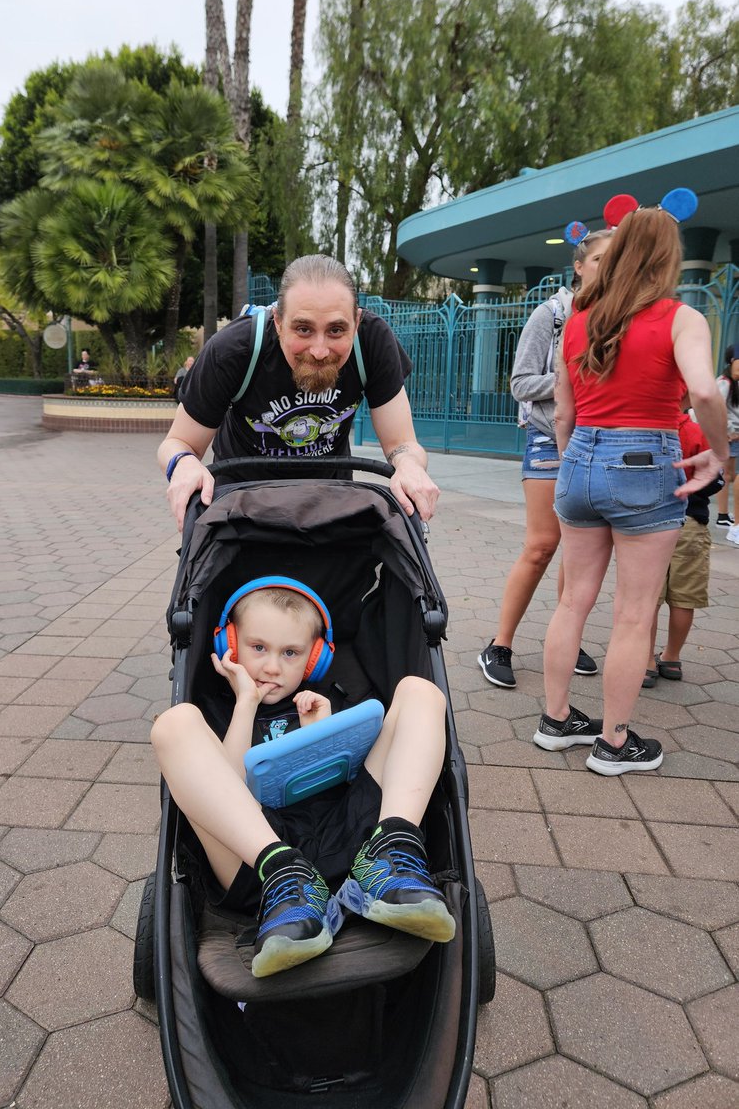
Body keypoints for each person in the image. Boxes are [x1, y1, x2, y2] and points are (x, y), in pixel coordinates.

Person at [150, 577, 455, 978]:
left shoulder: (329, 698)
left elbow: (365, 775)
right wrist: (246, 702)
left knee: (420, 690)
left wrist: (322, 735)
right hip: (259, 862)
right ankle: (288, 878)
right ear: (229, 643)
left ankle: (391, 847)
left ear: (314, 660)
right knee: (174, 724)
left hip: (352, 841)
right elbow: (225, 789)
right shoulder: (219, 709)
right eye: (258, 648)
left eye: (290, 653)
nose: (272, 666)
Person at [533, 196, 729, 776]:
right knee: (634, 613)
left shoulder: (577, 321)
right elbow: (706, 393)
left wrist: (577, 465)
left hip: (578, 460)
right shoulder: (680, 317)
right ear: (668, 259)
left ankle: (555, 720)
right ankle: (614, 745)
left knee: (572, 599)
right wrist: (718, 455)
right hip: (645, 460)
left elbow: (562, 415)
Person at [157, 255, 439, 530]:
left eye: (336, 330)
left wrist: (409, 465)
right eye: (303, 329)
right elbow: (179, 442)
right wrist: (184, 465)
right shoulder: (234, 350)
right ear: (278, 322)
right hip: (242, 509)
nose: (319, 351)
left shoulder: (372, 343)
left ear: (356, 323)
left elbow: (402, 444)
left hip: (331, 505)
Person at [478, 229, 612, 689]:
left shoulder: (615, 317)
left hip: (596, 443)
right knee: (541, 546)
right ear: (579, 265)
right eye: (599, 259)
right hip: (545, 438)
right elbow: (519, 383)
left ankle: (566, 641)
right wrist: (567, 381)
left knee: (579, 555)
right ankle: (499, 644)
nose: (606, 267)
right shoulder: (551, 313)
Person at [642, 402, 723, 688]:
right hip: (690, 522)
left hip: (648, 523)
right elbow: (714, 480)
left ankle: (646, 663)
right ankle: (672, 657)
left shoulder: (644, 432)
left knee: (648, 597)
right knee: (684, 597)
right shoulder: (696, 432)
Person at [714, 345, 739, 531]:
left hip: (734, 436)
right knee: (726, 475)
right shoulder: (724, 382)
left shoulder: (734, 383)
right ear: (730, 362)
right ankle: (722, 515)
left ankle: (724, 515)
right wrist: (728, 431)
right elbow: (717, 408)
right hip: (730, 436)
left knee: (728, 475)